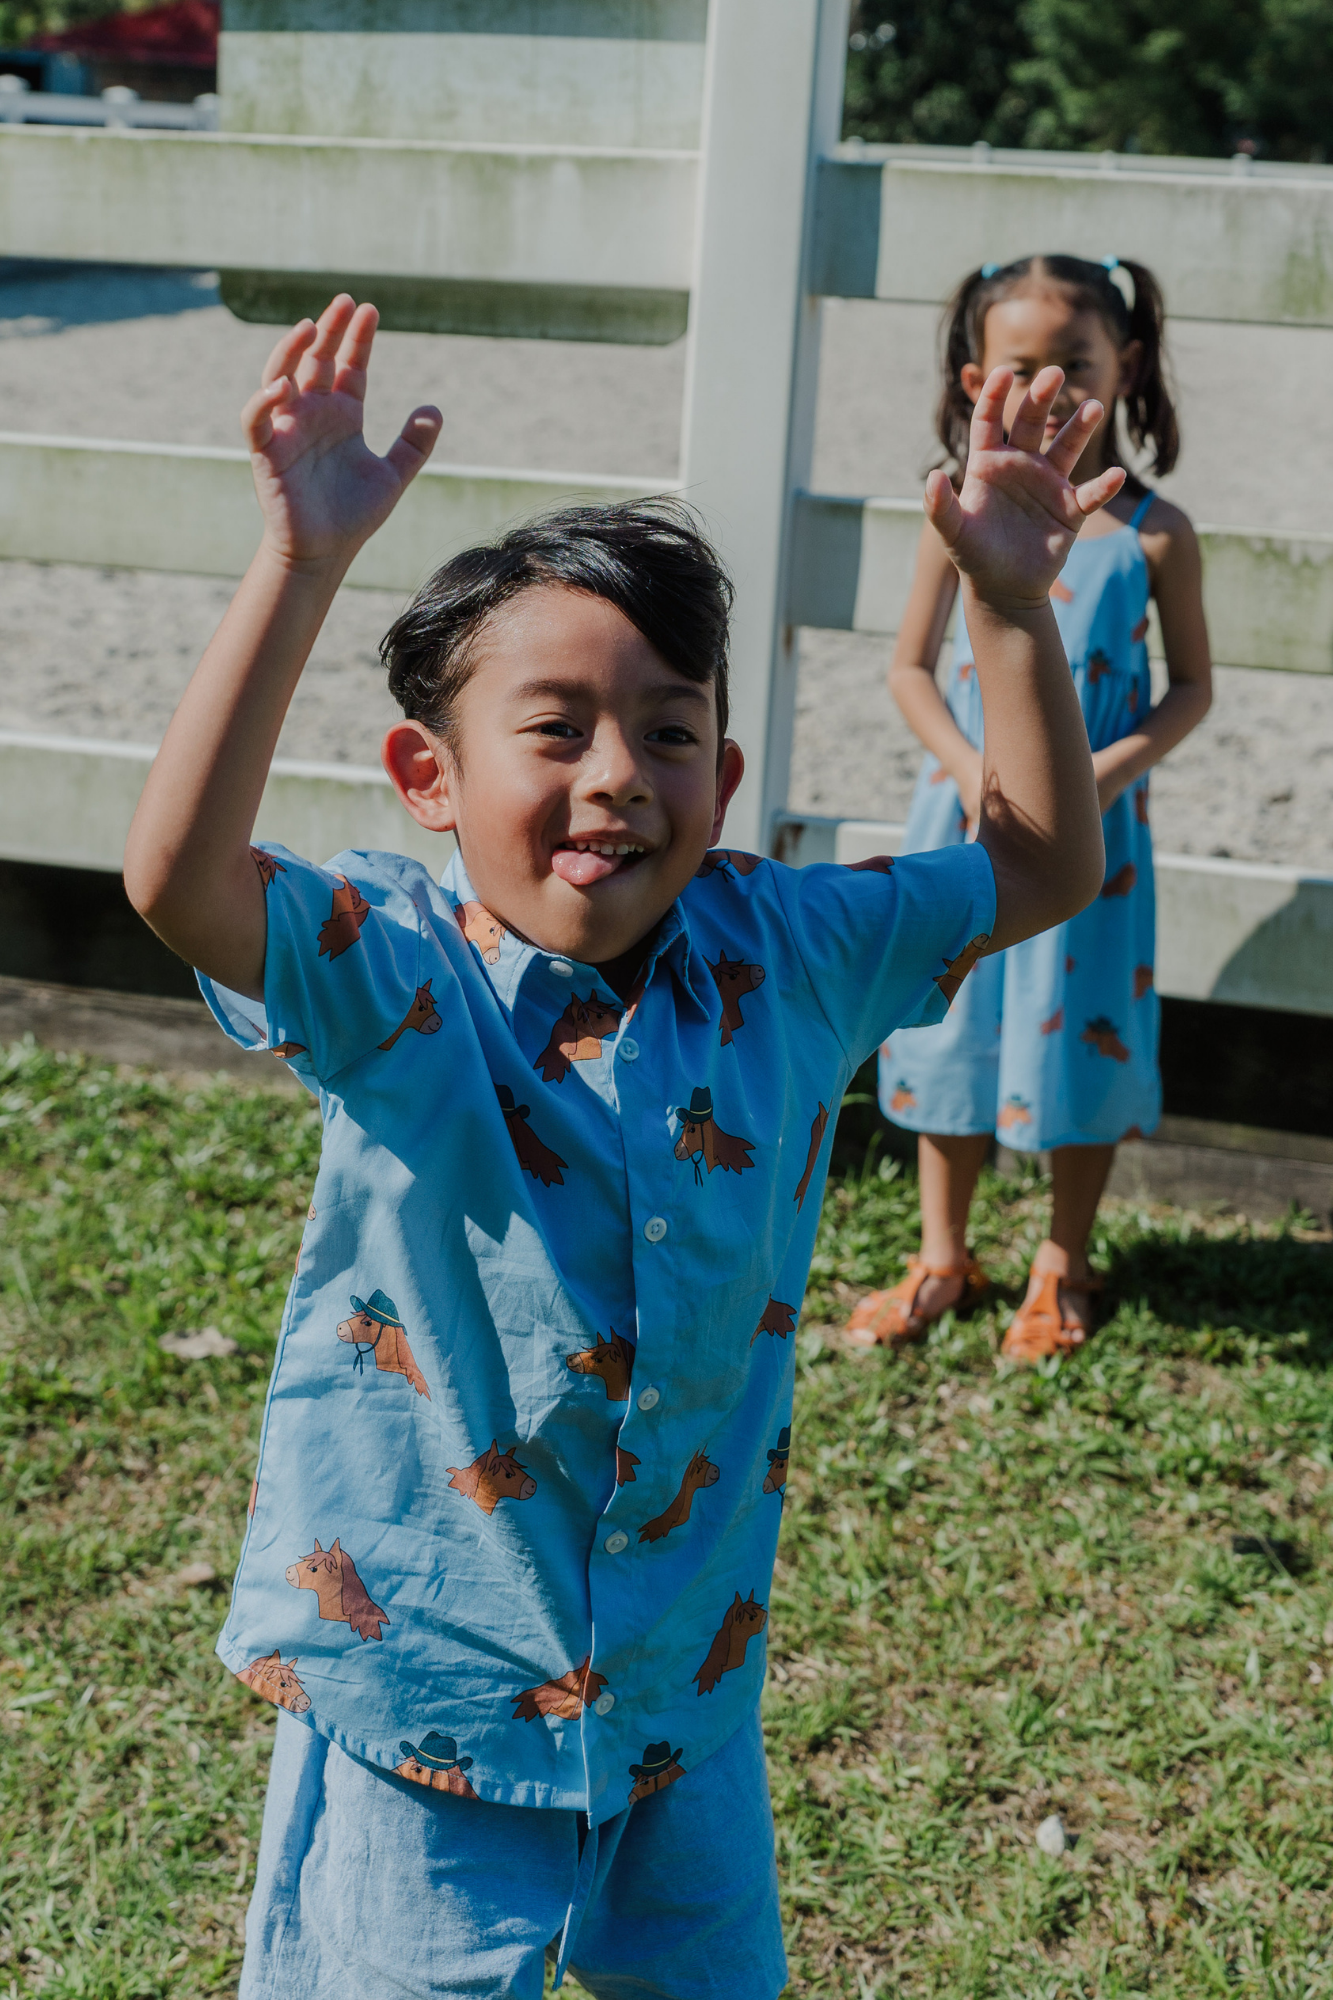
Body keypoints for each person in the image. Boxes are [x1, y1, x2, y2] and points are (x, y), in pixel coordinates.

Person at [123, 292, 1115, 1999]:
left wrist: (1010, 610)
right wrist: (297, 564)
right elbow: (176, 883)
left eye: (665, 731)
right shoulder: (394, 971)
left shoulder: (791, 955)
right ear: (425, 775)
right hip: (424, 1689)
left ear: (722, 777)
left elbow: (1039, 866)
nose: (615, 777)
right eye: (555, 727)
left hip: (677, 1687)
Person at [849, 254, 1212, 1368]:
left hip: (1093, 841)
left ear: (1126, 368)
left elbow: (1189, 687)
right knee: (951, 1022)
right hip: (961, 824)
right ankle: (942, 1251)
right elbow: (910, 669)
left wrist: (1100, 774)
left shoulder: (1154, 533)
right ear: (974, 382)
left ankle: (1063, 1255)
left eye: (1077, 365)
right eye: (1021, 366)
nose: (1050, 385)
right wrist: (968, 767)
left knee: (1081, 1024)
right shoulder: (949, 514)